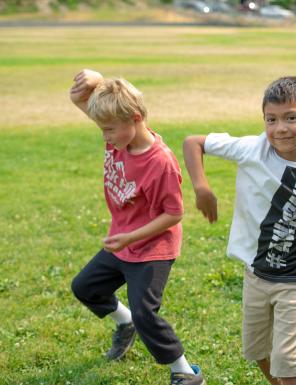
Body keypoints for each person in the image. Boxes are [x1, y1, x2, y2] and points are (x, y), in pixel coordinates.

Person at [183, 77, 296, 385]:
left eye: (291, 118)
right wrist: (202, 188)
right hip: (256, 274)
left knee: (286, 358)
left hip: (294, 280)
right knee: (256, 350)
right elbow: (193, 142)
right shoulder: (252, 149)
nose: (280, 128)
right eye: (272, 119)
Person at [69, 69, 206, 385]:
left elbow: (174, 214)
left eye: (109, 130)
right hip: (123, 241)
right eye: (103, 129)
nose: (105, 137)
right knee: (85, 287)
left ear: (134, 118)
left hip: (152, 248)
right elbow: (80, 98)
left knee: (147, 312)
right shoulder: (118, 134)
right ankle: (125, 322)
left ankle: (184, 372)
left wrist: (130, 236)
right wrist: (95, 78)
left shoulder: (160, 163)